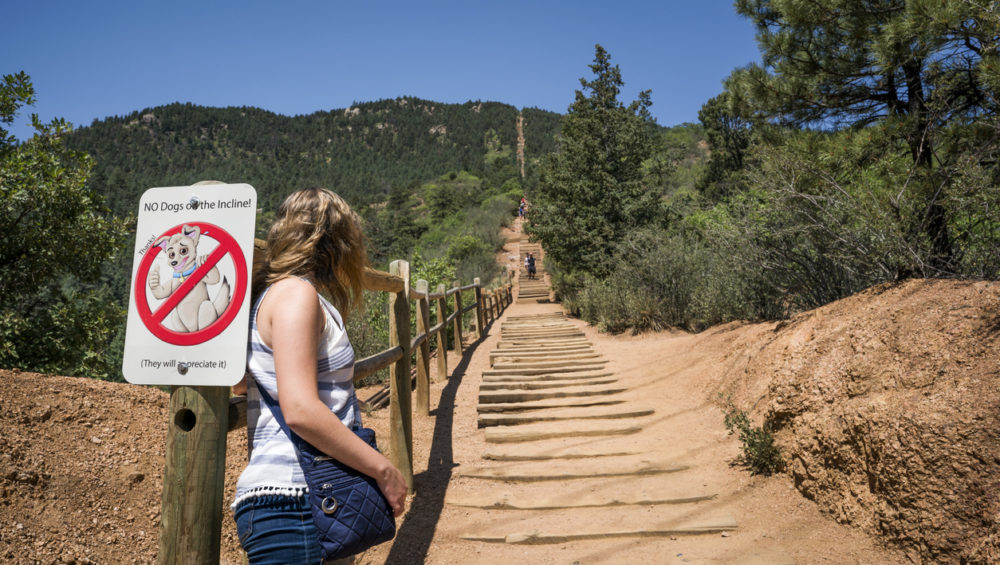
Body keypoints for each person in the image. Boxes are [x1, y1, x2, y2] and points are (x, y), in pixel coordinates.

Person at [231, 187, 407, 565]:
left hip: (302, 499)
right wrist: (383, 469)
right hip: (295, 499)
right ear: (336, 242)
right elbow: (299, 409)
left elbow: (243, 383)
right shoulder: (296, 295)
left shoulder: (271, 296)